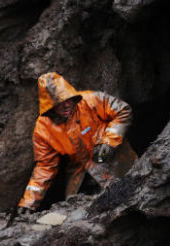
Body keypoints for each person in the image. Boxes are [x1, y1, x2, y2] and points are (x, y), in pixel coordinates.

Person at [18, 72, 137, 213]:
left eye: (68, 99)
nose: (67, 105)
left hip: (115, 160)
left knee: (132, 194)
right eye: (59, 103)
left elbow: (122, 110)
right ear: (49, 106)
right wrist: (29, 201)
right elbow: (45, 166)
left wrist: (109, 142)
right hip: (80, 173)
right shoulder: (43, 128)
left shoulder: (91, 100)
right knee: (77, 211)